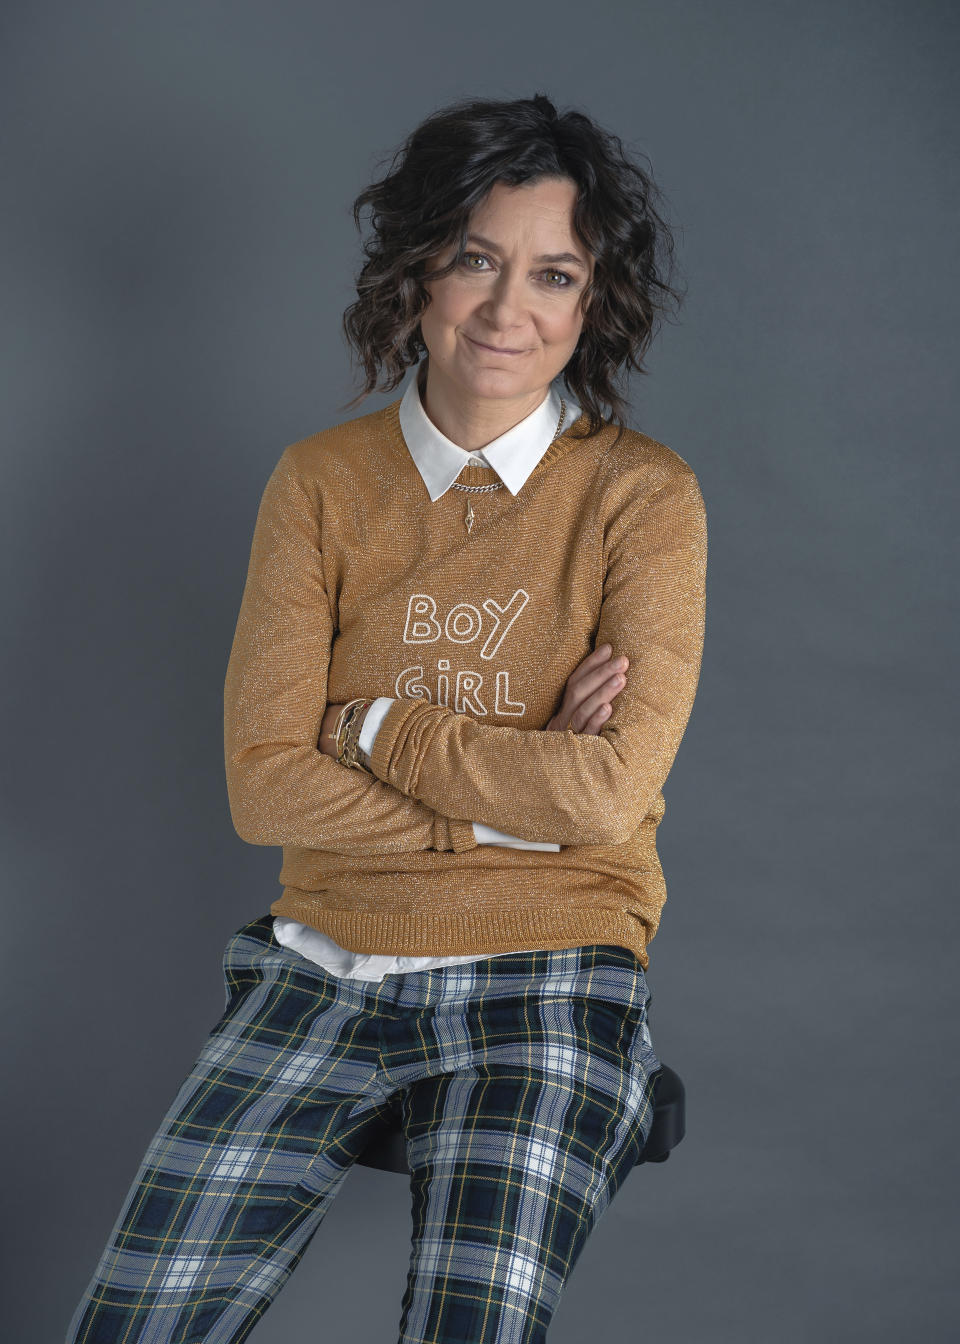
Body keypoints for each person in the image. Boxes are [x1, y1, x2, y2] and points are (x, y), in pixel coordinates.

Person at [65, 91, 707, 1344]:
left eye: (553, 273)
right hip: (318, 969)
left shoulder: (642, 499)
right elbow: (262, 784)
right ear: (417, 265)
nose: (507, 307)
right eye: (475, 257)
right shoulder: (319, 483)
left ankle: (589, 1068)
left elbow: (602, 798)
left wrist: (368, 730)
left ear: (591, 302)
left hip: (551, 971)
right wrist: (510, 807)